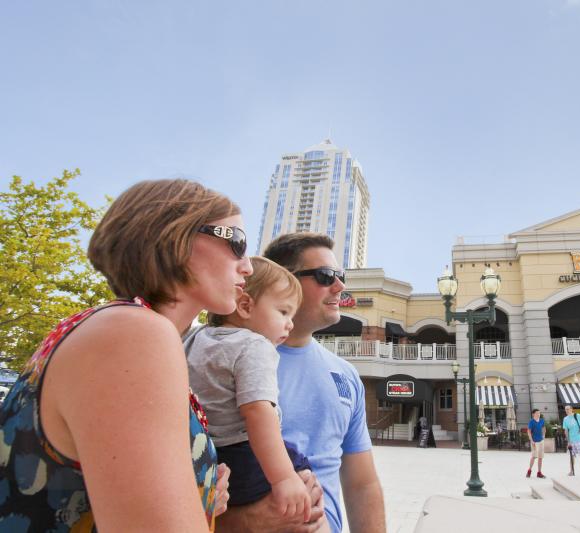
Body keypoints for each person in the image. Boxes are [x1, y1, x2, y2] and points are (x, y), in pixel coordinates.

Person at [0, 179, 251, 530]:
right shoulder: (134, 334)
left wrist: (199, 490)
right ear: (173, 234)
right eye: (237, 243)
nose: (247, 267)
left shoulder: (111, 328)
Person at [219, 233, 385, 533]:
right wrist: (248, 521)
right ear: (285, 281)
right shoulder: (221, 362)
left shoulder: (345, 375)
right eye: (325, 276)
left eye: (340, 275)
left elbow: (362, 485)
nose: (340, 286)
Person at [184, 257, 328, 530]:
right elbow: (258, 412)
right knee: (305, 488)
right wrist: (284, 478)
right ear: (246, 306)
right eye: (283, 312)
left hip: (203, 454)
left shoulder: (194, 337)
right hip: (246, 455)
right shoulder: (254, 345)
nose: (290, 325)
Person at [562, 405, 580, 476]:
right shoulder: (565, 419)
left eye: (568, 409)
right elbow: (566, 431)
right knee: (572, 457)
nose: (566, 411)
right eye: (565, 409)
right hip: (571, 441)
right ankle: (571, 471)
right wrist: (568, 441)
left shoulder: (577, 415)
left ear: (571, 409)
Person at [526, 409, 546, 479]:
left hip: (541, 441)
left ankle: (539, 472)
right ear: (533, 414)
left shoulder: (542, 421)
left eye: (539, 413)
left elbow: (544, 428)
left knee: (540, 457)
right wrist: (531, 440)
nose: (538, 414)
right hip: (534, 441)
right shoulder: (531, 422)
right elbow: (529, 431)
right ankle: (529, 470)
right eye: (537, 413)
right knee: (534, 456)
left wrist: (543, 435)